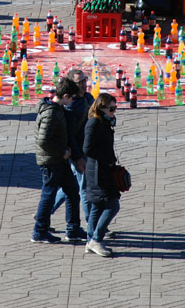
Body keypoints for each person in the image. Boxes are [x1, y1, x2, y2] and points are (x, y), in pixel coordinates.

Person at [31, 77, 83, 244]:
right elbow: (43, 141)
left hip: (59, 160)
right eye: (71, 98)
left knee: (73, 191)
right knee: (48, 195)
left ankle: (73, 229)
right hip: (51, 161)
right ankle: (39, 231)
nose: (72, 101)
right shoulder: (51, 113)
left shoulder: (58, 109)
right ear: (65, 95)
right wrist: (62, 153)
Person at [51, 69, 94, 231]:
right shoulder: (71, 107)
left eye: (85, 80)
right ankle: (92, 224)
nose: (84, 84)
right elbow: (70, 136)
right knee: (84, 188)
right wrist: (77, 157)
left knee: (74, 184)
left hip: (88, 149)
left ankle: (45, 211)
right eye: (79, 82)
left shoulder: (88, 98)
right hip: (79, 152)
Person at [83, 93, 121, 257]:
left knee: (97, 207)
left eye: (115, 108)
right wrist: (107, 159)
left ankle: (91, 241)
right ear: (101, 108)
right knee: (112, 205)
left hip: (101, 170)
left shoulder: (104, 122)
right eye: (111, 108)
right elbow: (87, 149)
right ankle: (96, 239)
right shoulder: (94, 124)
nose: (114, 111)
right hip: (99, 171)